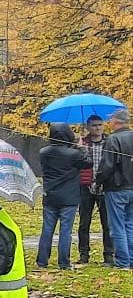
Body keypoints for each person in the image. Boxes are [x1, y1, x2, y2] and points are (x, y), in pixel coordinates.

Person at [35, 124, 88, 271]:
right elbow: (88, 163)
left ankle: (42, 261)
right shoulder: (73, 154)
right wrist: (81, 147)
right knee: (66, 231)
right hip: (69, 198)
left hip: (50, 196)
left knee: (47, 229)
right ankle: (63, 262)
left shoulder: (43, 152)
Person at [77, 115, 117, 265]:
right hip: (86, 186)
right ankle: (84, 255)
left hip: (105, 187)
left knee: (107, 223)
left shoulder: (110, 142)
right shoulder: (83, 143)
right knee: (84, 222)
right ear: (88, 127)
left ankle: (108, 255)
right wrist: (80, 149)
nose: (98, 128)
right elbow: (77, 164)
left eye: (100, 125)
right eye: (94, 125)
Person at [100, 112, 133, 270]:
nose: (109, 122)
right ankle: (131, 259)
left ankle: (122, 261)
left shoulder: (113, 139)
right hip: (132, 187)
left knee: (117, 226)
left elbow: (107, 165)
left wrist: (97, 181)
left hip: (117, 187)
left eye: (111, 119)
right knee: (130, 224)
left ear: (116, 121)